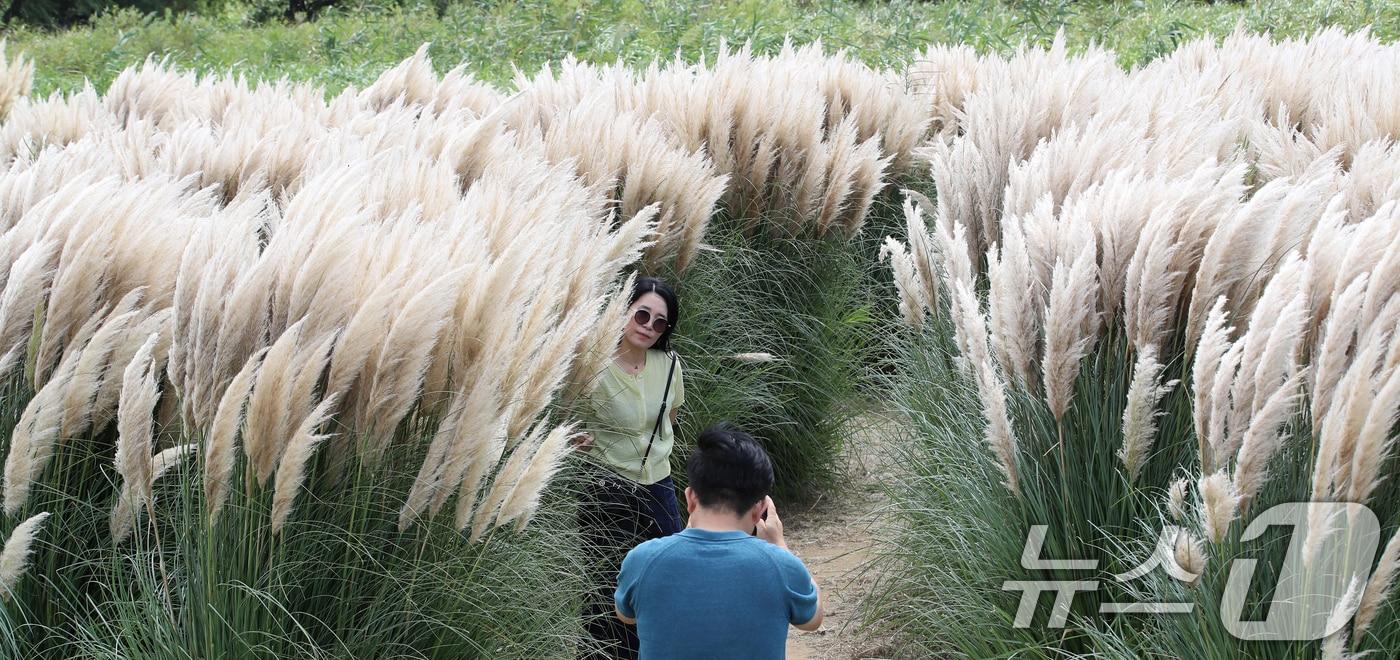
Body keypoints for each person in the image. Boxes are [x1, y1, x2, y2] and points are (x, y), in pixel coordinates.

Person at [614, 423, 823, 659]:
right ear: (760, 510)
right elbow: (813, 619)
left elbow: (626, 615)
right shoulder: (781, 566)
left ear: (690, 498)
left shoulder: (642, 560)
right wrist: (779, 545)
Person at [574, 276, 687, 660]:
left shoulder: (670, 365)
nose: (649, 326)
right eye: (642, 314)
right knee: (607, 589)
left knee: (665, 581)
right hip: (608, 489)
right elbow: (568, 418)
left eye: (660, 322)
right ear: (624, 310)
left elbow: (671, 415)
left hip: (659, 487)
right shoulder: (591, 365)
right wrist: (578, 438)